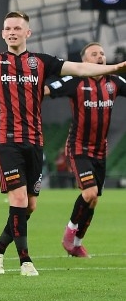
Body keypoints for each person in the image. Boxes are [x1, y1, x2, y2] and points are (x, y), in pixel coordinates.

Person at [0, 12, 126, 277]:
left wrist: (114, 68)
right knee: (18, 198)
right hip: (7, 139)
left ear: (28, 33)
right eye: (8, 28)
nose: (12, 32)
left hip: (35, 140)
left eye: (17, 28)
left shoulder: (41, 62)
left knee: (29, 206)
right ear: (3, 34)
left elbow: (80, 69)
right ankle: (25, 260)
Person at [45, 42, 126, 258]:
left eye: (102, 53)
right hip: (78, 147)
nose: (100, 57)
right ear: (84, 61)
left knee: (94, 199)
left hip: (100, 150)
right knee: (89, 193)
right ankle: (69, 233)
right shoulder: (76, 81)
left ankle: (77, 244)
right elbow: (47, 90)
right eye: (94, 54)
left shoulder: (114, 82)